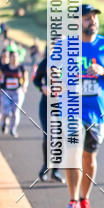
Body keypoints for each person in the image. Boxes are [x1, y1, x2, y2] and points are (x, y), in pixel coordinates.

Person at [62, 4, 104, 208]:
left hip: (98, 113)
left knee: (89, 158)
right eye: (87, 18)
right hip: (72, 111)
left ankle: (84, 199)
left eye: (94, 18)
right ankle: (72, 203)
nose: (93, 21)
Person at [32, 53, 65, 183]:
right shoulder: (46, 62)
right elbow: (36, 80)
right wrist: (42, 88)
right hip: (47, 105)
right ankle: (45, 167)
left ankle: (55, 171)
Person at [0, 49, 28, 137]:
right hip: (6, 91)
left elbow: (26, 78)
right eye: (13, 57)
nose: (15, 59)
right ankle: (5, 123)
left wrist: (24, 86)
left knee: (15, 112)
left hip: (17, 92)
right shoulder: (4, 67)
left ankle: (13, 128)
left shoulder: (21, 68)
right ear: (10, 58)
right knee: (6, 111)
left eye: (16, 57)